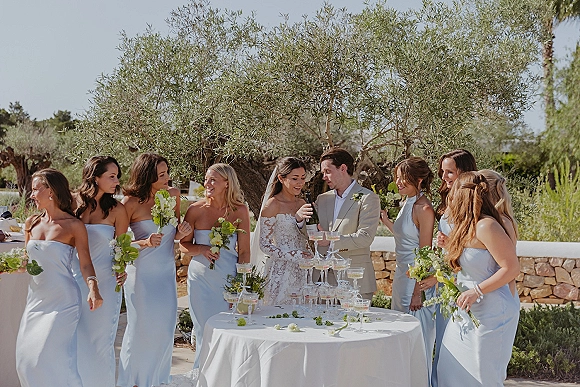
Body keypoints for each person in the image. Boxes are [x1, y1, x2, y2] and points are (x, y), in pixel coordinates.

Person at [16, 168, 103, 387]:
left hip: (63, 302)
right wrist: (8, 267)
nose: (32, 194)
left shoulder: (74, 226)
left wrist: (93, 288)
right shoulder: (31, 223)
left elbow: (85, 263)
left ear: (51, 191)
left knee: (52, 359)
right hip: (36, 300)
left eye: (36, 189)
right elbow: (25, 263)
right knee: (26, 362)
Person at [437, 172, 520, 387]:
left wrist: (477, 291)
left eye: (453, 193)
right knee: (450, 370)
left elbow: (511, 268)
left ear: (465, 196)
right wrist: (448, 248)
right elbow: (467, 264)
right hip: (465, 311)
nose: (449, 197)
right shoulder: (465, 226)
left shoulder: (488, 226)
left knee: (482, 377)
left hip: (491, 313)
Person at [117, 153, 191, 387]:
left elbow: (175, 234)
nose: (167, 177)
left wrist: (181, 233)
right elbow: (118, 244)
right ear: (147, 176)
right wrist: (145, 242)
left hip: (166, 274)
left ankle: (158, 380)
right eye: (161, 174)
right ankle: (133, 381)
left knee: (165, 327)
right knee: (140, 329)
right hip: (142, 275)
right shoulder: (129, 203)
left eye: (167, 171)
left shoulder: (173, 196)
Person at [180, 163, 250, 370]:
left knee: (227, 329)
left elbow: (244, 252)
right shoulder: (195, 209)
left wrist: (241, 283)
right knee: (203, 329)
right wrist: (201, 249)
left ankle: (224, 375)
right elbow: (184, 245)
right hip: (200, 279)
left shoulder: (240, 210)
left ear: (227, 183)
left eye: (213, 180)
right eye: (206, 179)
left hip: (228, 279)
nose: (207, 184)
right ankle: (202, 375)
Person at [71, 156, 129, 387]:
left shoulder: (118, 209)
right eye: (111, 176)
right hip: (72, 280)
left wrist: (122, 267)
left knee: (100, 342)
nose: (117, 181)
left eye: (117, 176)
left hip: (105, 281)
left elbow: (122, 248)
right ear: (95, 177)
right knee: (73, 340)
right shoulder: (72, 203)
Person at [379, 157, 436, 381]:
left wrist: (417, 292)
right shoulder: (408, 202)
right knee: (400, 341)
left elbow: (424, 252)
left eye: (404, 178)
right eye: (397, 177)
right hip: (401, 280)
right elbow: (406, 239)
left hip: (414, 286)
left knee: (416, 343)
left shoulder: (424, 208)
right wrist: (387, 223)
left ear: (419, 179)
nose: (398, 182)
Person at [298, 147, 380, 300]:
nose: (324, 177)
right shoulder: (323, 199)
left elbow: (365, 237)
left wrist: (329, 240)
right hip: (320, 281)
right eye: (323, 173)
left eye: (327, 171)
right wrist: (300, 220)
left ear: (343, 168)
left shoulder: (368, 198)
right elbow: (312, 232)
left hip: (353, 280)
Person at [430, 148, 477, 387]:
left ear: (465, 173)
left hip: (465, 281)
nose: (444, 177)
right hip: (446, 282)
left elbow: (475, 246)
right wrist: (443, 245)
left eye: (450, 172)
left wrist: (451, 245)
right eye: (442, 172)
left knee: (462, 342)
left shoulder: (473, 207)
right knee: (443, 342)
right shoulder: (448, 202)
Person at [254, 157, 312, 305]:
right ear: (281, 178)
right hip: (282, 269)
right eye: (295, 178)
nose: (300, 183)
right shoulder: (273, 205)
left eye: (302, 178)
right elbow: (264, 244)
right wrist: (292, 255)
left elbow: (306, 235)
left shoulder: (302, 203)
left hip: (304, 268)